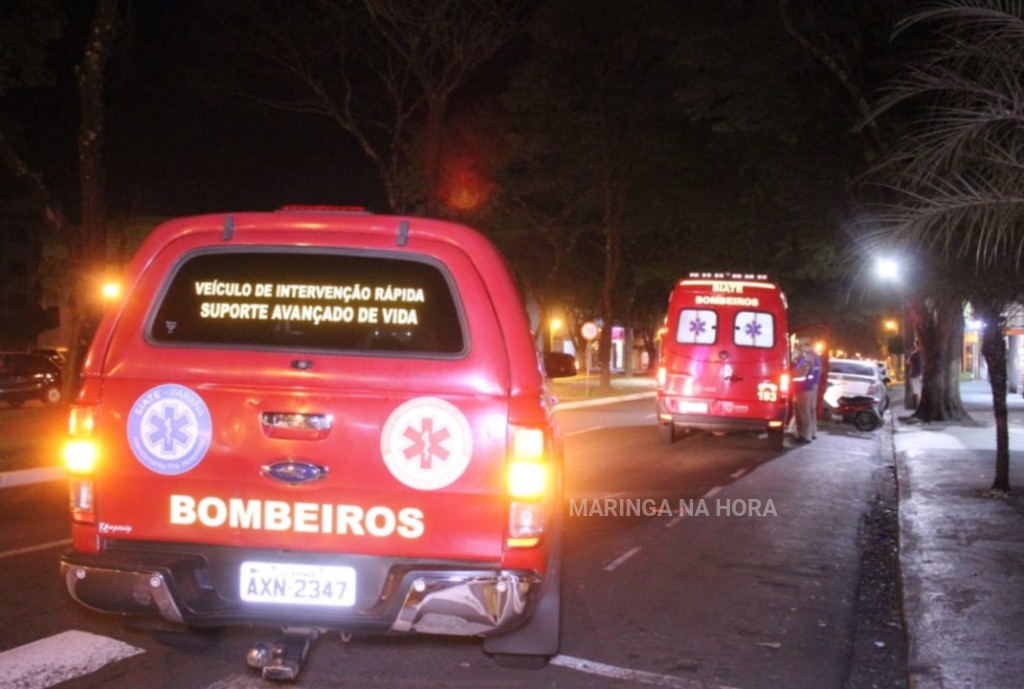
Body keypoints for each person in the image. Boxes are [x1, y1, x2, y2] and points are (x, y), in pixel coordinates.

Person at [791, 337, 821, 443]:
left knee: (804, 413)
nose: (799, 348)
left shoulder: (807, 359)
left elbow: (801, 372)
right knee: (799, 413)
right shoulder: (802, 359)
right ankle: (801, 433)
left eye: (800, 346)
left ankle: (806, 435)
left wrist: (791, 372)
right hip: (799, 388)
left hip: (804, 388)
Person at [907, 340, 923, 409]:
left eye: (915, 345)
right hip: (921, 374)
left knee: (917, 392)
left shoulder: (915, 354)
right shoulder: (923, 354)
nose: (914, 346)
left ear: (917, 345)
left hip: (915, 375)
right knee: (920, 391)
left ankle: (918, 407)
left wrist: (911, 354)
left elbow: (907, 362)